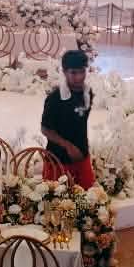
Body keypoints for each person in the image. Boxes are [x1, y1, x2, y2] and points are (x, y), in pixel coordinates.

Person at [41, 49, 96, 190]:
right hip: (58, 159)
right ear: (64, 72)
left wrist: (79, 148)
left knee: (88, 194)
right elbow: (45, 129)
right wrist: (68, 146)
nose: (79, 77)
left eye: (82, 71)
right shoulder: (55, 98)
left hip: (82, 155)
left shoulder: (88, 93)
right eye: (73, 73)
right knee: (59, 199)